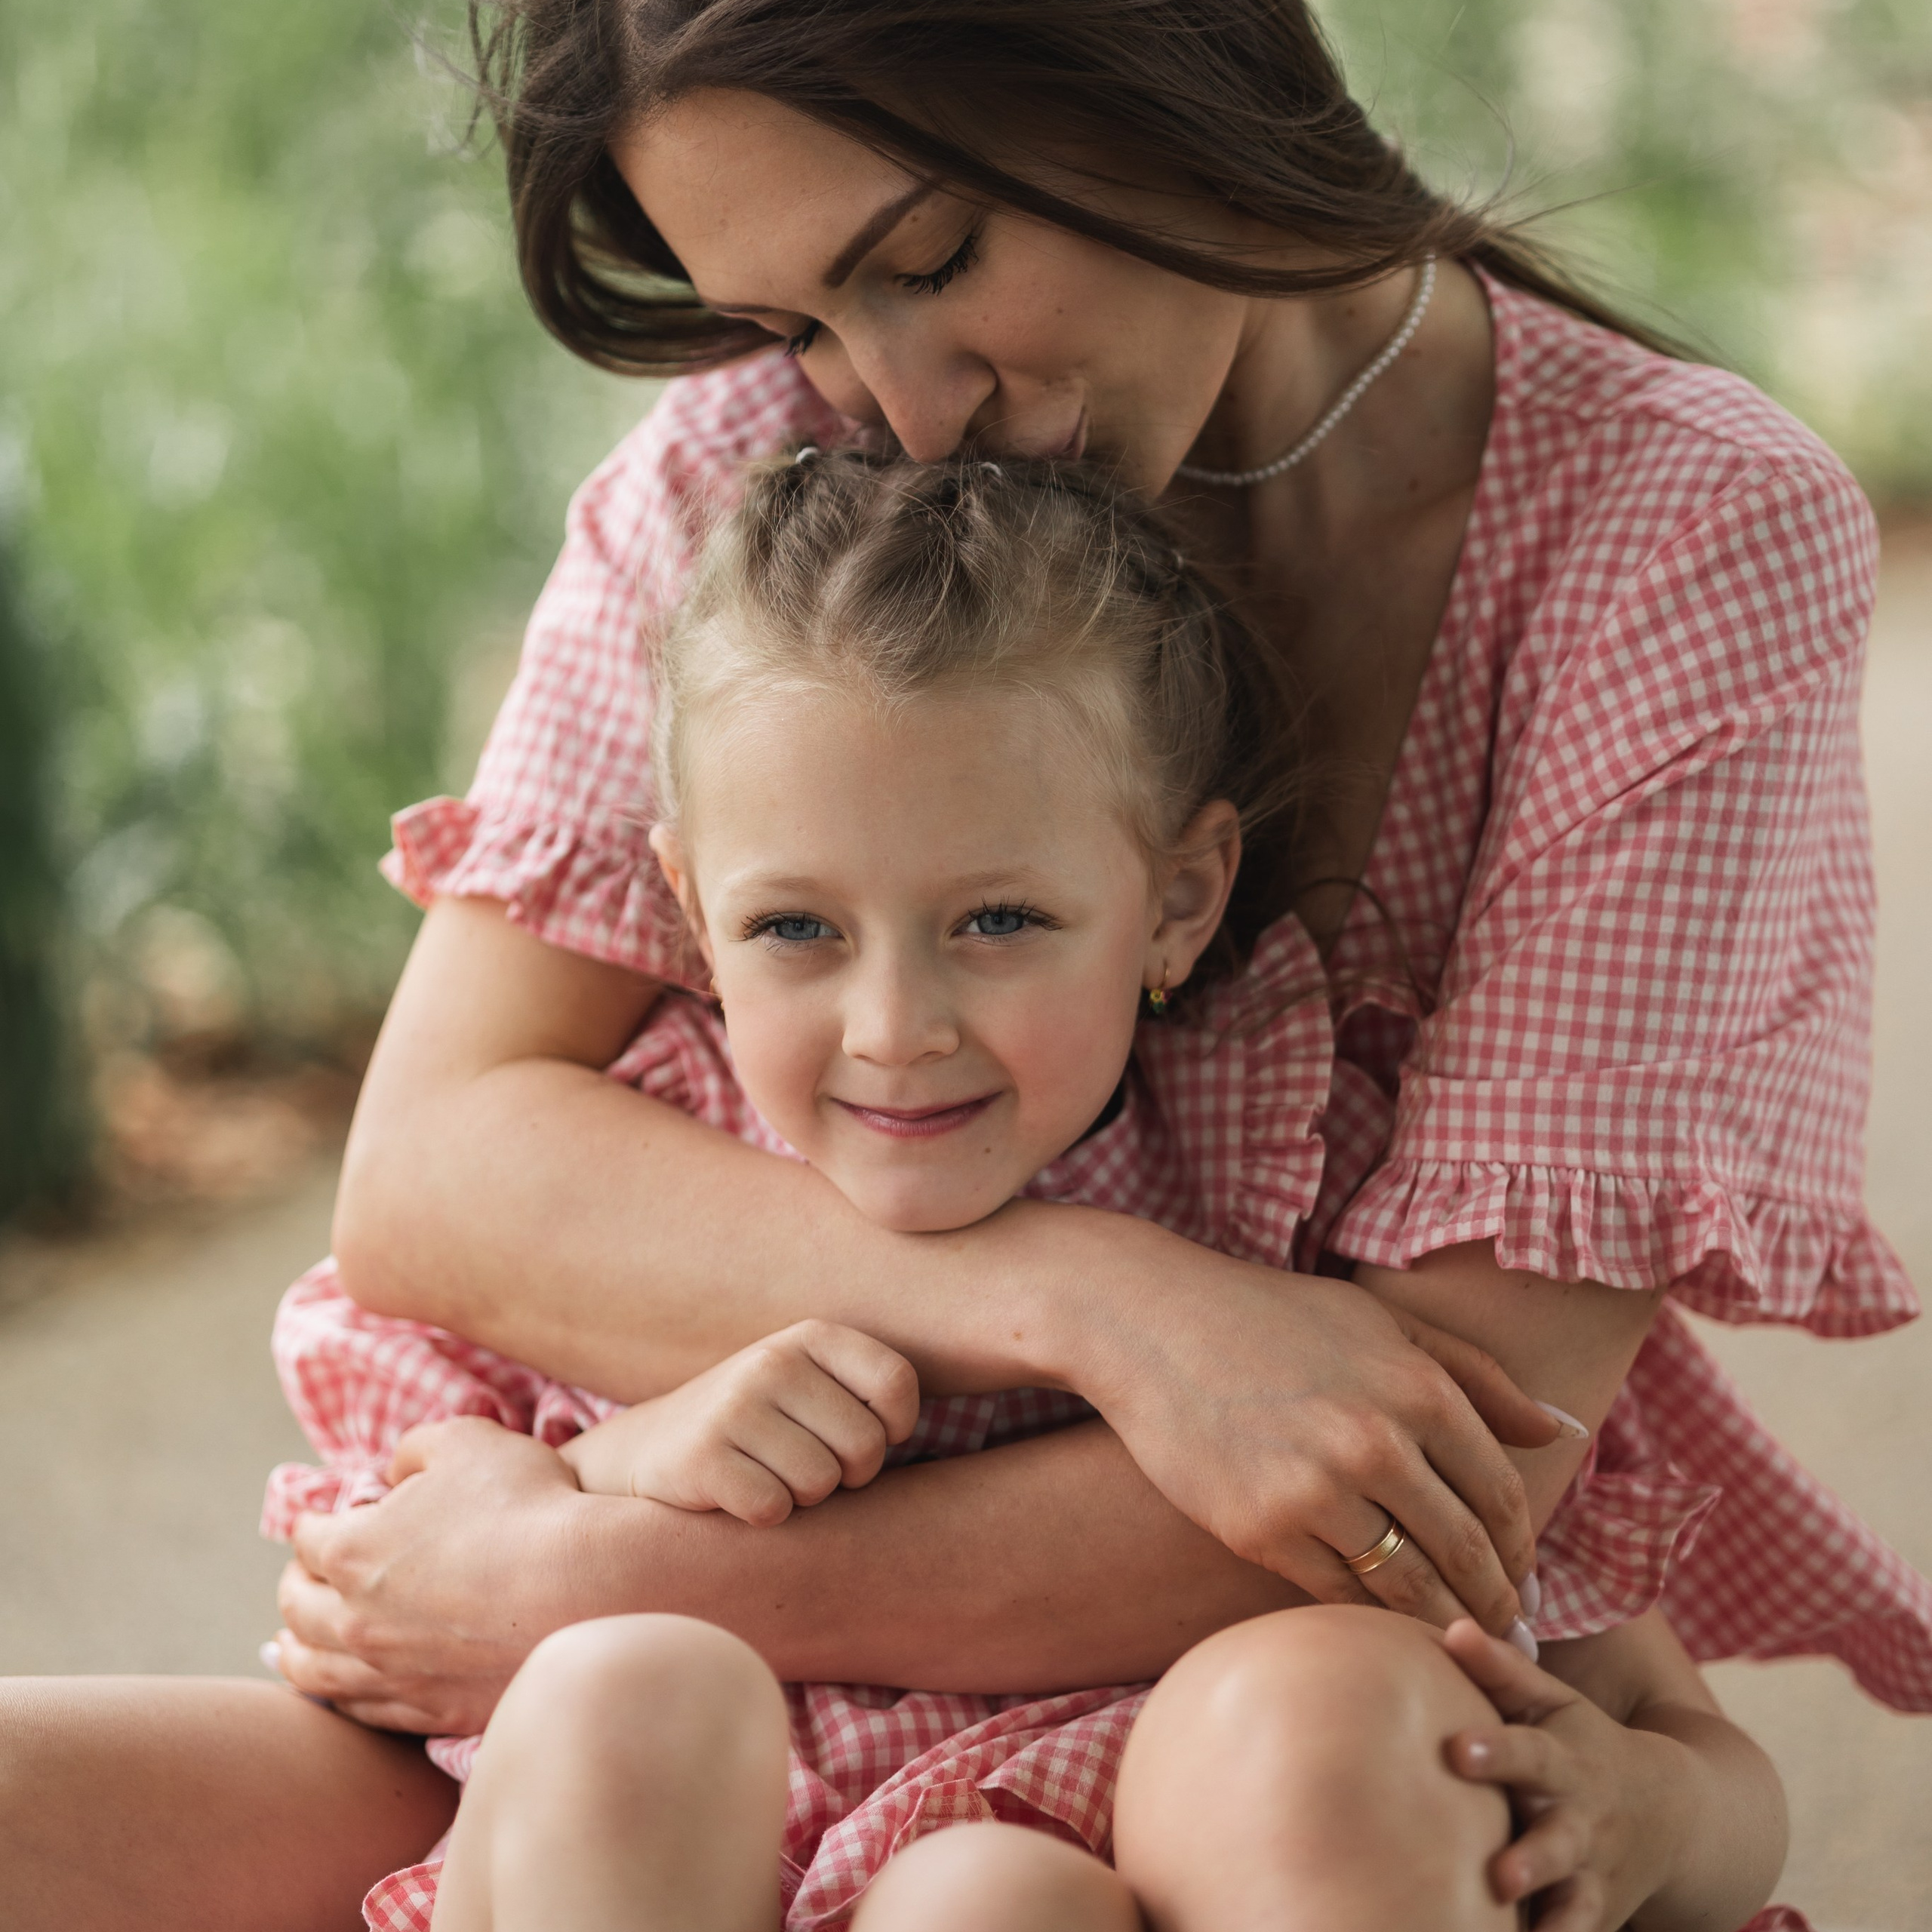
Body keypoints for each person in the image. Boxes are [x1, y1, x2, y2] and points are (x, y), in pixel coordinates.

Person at [5, 1, 1929, 1926]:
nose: (901, 410)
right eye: (800, 324)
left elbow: (1423, 1481)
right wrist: (1105, 1302)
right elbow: (434, 1174)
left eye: (926, 259)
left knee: (1290, 1784)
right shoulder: (772, 465)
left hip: (1182, 1735)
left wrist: (601, 1577)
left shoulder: (1671, 542)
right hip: (683, 1731)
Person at [266, 450, 1791, 1932]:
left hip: (1073, 1846)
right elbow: (401, 1565)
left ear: (1177, 901)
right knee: (619, 1687)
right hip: (668, 1842)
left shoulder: (1283, 1210)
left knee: (995, 1899)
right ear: (686, 905)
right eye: (794, 925)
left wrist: (1654, 1811)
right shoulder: (646, 1178)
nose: (893, 1027)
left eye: (996, 916)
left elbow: (1650, 1710)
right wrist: (623, 1466)